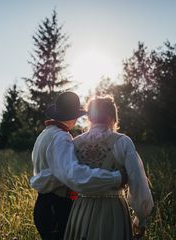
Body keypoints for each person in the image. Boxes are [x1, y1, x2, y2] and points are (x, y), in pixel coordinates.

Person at [30, 92, 127, 240]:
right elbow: (73, 174)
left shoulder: (45, 134)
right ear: (73, 117)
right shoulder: (61, 137)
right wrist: (115, 178)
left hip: (43, 204)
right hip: (56, 206)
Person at [64, 95, 154, 240]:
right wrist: (140, 218)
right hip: (113, 210)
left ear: (90, 118)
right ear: (112, 116)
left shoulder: (75, 143)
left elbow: (69, 177)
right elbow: (137, 183)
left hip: (81, 210)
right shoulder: (123, 142)